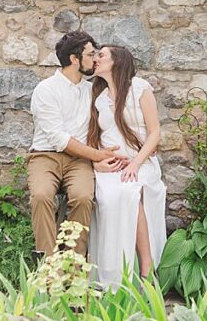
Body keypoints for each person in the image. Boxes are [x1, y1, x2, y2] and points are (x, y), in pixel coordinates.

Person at [28, 31, 126, 257]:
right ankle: (48, 266)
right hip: (45, 156)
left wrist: (98, 158)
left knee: (83, 198)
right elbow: (59, 139)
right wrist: (97, 156)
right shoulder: (46, 89)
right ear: (74, 59)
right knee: (41, 196)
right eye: (91, 54)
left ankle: (73, 266)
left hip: (79, 161)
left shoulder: (92, 89)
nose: (95, 59)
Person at [87, 44, 167, 288]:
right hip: (111, 166)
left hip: (141, 161)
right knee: (110, 196)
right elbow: (93, 137)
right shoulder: (99, 99)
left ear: (117, 61)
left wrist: (135, 163)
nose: (96, 59)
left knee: (130, 190)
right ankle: (113, 273)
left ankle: (146, 268)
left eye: (101, 55)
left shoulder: (139, 89)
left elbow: (154, 133)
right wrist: (97, 163)